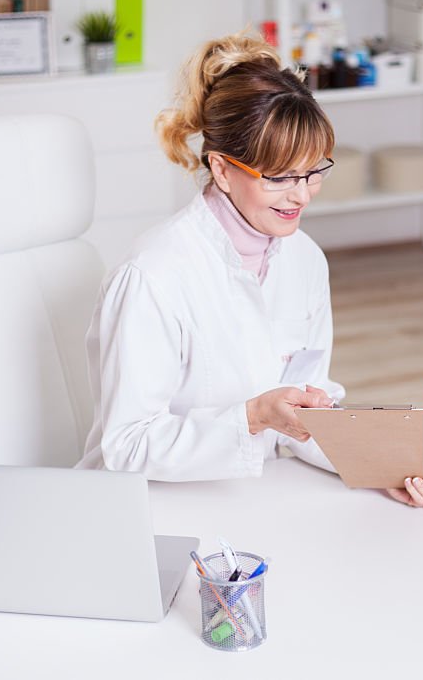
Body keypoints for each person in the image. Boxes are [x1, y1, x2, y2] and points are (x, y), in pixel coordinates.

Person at [77, 32, 346, 480]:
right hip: (152, 506)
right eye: (279, 177)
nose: (302, 195)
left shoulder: (305, 259)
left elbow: (311, 400)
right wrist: (254, 417)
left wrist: (376, 463)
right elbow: (127, 446)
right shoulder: (153, 276)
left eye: (313, 171)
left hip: (265, 492)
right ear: (222, 168)